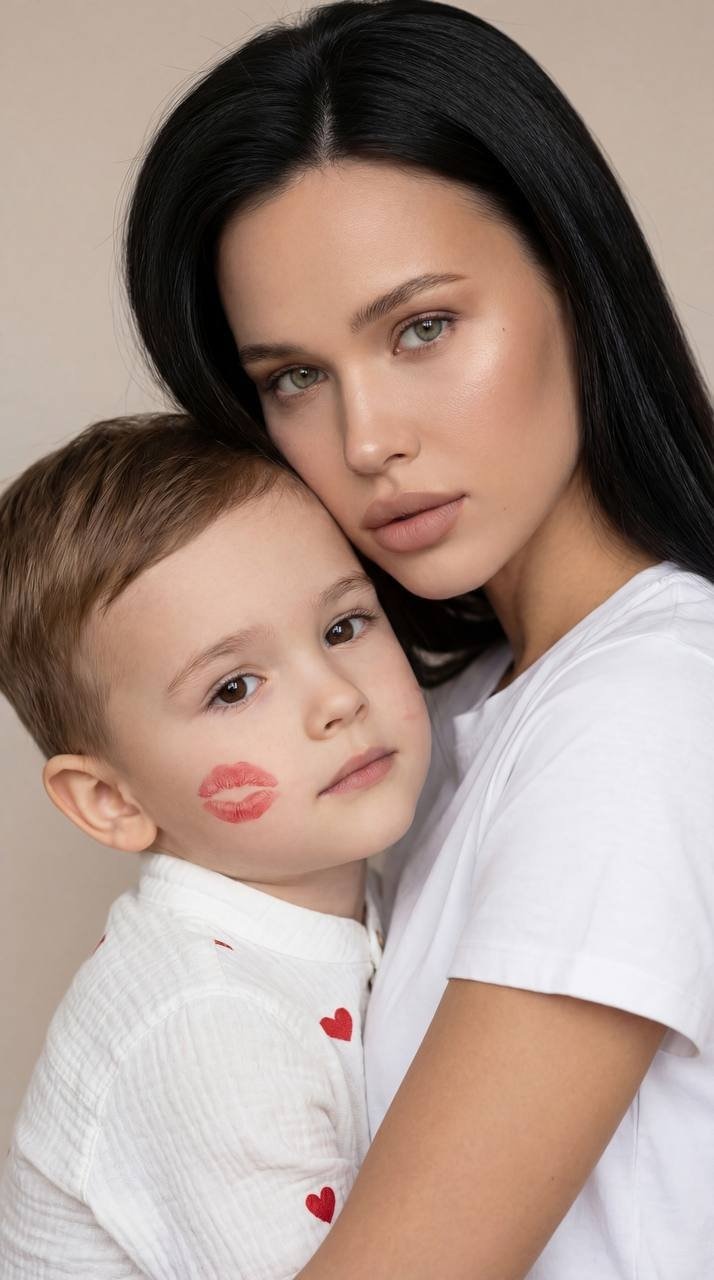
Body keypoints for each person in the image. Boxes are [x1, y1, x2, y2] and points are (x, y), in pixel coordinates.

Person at [123, 1, 714, 1277]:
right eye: (294, 377)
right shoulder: (428, 724)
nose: (367, 438)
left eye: (422, 327)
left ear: (575, 277)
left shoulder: (649, 705)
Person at [0, 413, 432, 1277]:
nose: (337, 699)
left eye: (345, 626)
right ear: (110, 801)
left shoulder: (357, 901)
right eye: (234, 687)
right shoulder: (206, 1022)